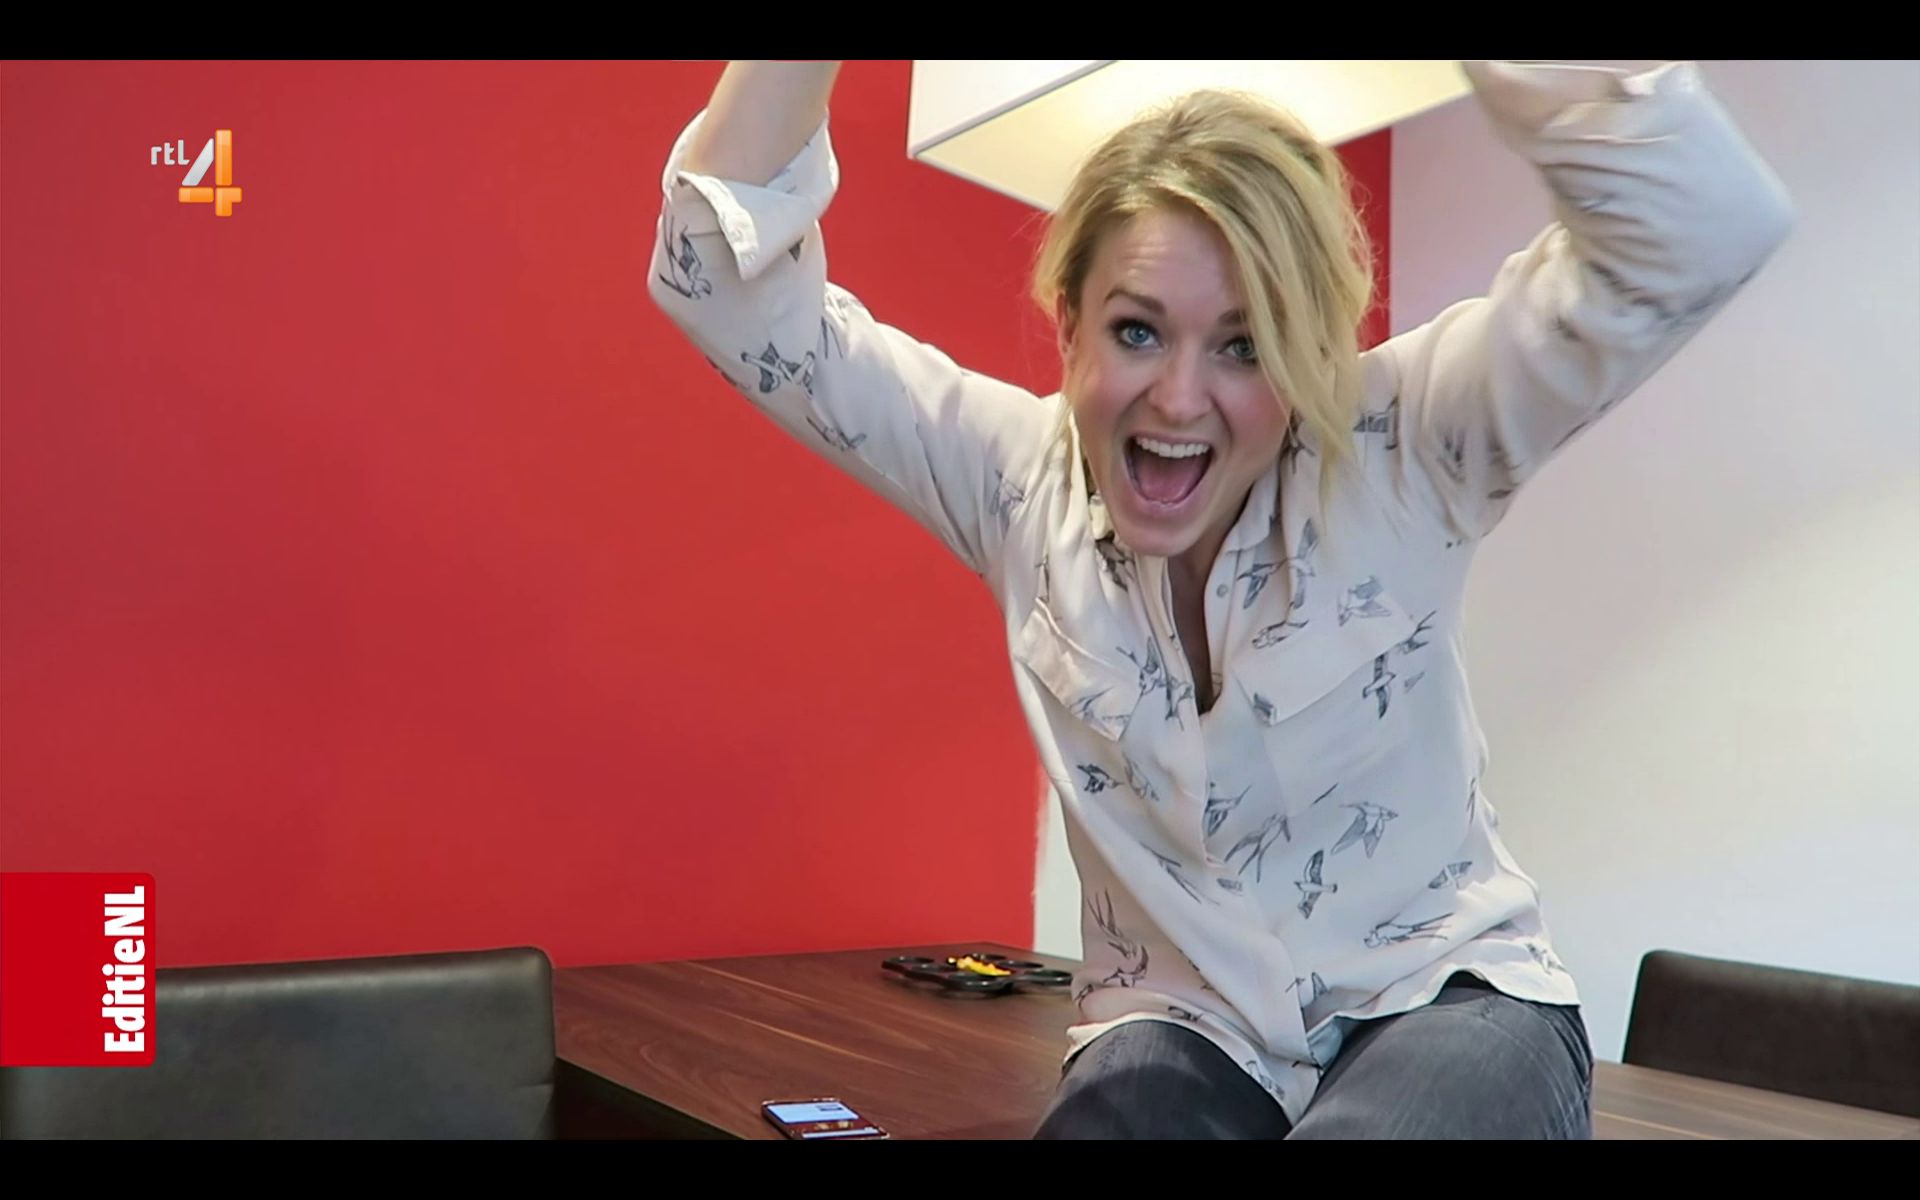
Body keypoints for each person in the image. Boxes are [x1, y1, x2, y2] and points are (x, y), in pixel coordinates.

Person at [648, 59, 1794, 1139]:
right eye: (1137, 330)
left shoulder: (1405, 444)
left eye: (1243, 347)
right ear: (1070, 325)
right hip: (1185, 1025)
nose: (1179, 397)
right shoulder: (1014, 482)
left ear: (1307, 356)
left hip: (1447, 997)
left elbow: (1705, 228)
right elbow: (725, 292)